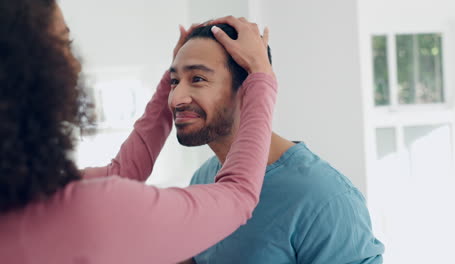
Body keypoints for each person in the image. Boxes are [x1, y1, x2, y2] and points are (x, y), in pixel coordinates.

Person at [0, 1, 277, 263]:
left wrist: (170, 78)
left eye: (196, 79)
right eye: (63, 43)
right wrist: (261, 77)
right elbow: (237, 195)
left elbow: (121, 172)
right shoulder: (90, 211)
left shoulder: (24, 193)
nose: (75, 63)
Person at [169, 17, 385, 263]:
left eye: (197, 79)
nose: (176, 97)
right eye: (174, 81)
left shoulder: (325, 199)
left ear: (249, 89)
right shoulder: (203, 179)